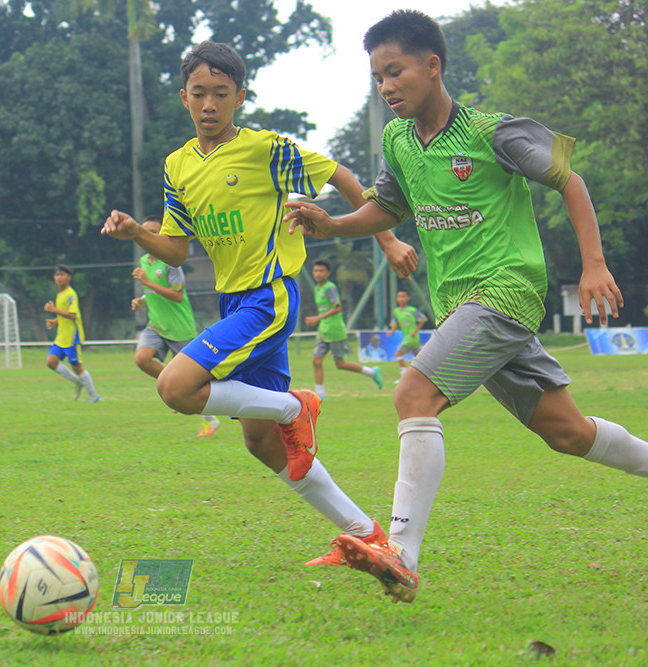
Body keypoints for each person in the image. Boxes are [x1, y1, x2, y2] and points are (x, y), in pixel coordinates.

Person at [283, 10, 648, 603]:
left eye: (395, 71)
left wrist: (595, 265)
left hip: (507, 290)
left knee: (412, 394)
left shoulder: (492, 132)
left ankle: (400, 554)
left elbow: (571, 181)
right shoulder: (398, 140)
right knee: (568, 432)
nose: (386, 87)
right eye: (377, 77)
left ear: (433, 66)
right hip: (459, 304)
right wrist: (331, 225)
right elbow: (388, 208)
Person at [102, 41, 418, 563]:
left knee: (176, 388)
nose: (209, 104)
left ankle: (298, 405)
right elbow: (178, 248)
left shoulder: (266, 148)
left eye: (220, 94)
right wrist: (137, 232)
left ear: (239, 97)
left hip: (269, 297)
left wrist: (385, 239)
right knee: (261, 442)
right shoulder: (177, 166)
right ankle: (366, 535)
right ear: (183, 98)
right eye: (199, 93)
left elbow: (338, 173)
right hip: (233, 305)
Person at [132, 214, 221, 437]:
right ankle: (172, 386)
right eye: (145, 232)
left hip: (180, 328)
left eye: (154, 232)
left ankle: (210, 418)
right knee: (141, 359)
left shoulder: (171, 263)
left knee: (198, 379)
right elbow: (153, 290)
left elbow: (177, 295)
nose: (148, 237)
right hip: (156, 325)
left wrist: (147, 283)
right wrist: (142, 299)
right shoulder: (145, 261)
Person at [306, 259, 383, 400]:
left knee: (340, 364)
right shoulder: (318, 289)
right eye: (316, 270)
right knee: (316, 361)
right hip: (323, 331)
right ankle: (320, 395)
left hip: (335, 331)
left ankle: (372, 372)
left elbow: (337, 308)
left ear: (328, 273)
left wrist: (317, 318)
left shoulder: (330, 287)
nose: (317, 274)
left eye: (321, 271)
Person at [45, 265, 99, 403]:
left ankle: (94, 395)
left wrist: (54, 310)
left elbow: (73, 315)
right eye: (57, 275)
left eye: (62, 274)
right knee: (51, 362)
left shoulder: (71, 294)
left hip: (71, 337)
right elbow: (65, 314)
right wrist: (55, 322)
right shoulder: (60, 294)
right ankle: (77, 381)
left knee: (77, 366)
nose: (59, 277)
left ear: (68, 277)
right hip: (61, 336)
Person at [385, 287, 427, 381]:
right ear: (397, 299)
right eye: (399, 297)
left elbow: (423, 319)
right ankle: (424, 377)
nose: (401, 299)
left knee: (398, 353)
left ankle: (404, 376)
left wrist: (415, 331)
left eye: (403, 297)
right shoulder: (396, 311)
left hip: (412, 337)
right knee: (419, 358)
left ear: (408, 298)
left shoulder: (412, 310)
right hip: (408, 337)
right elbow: (395, 324)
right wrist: (391, 331)